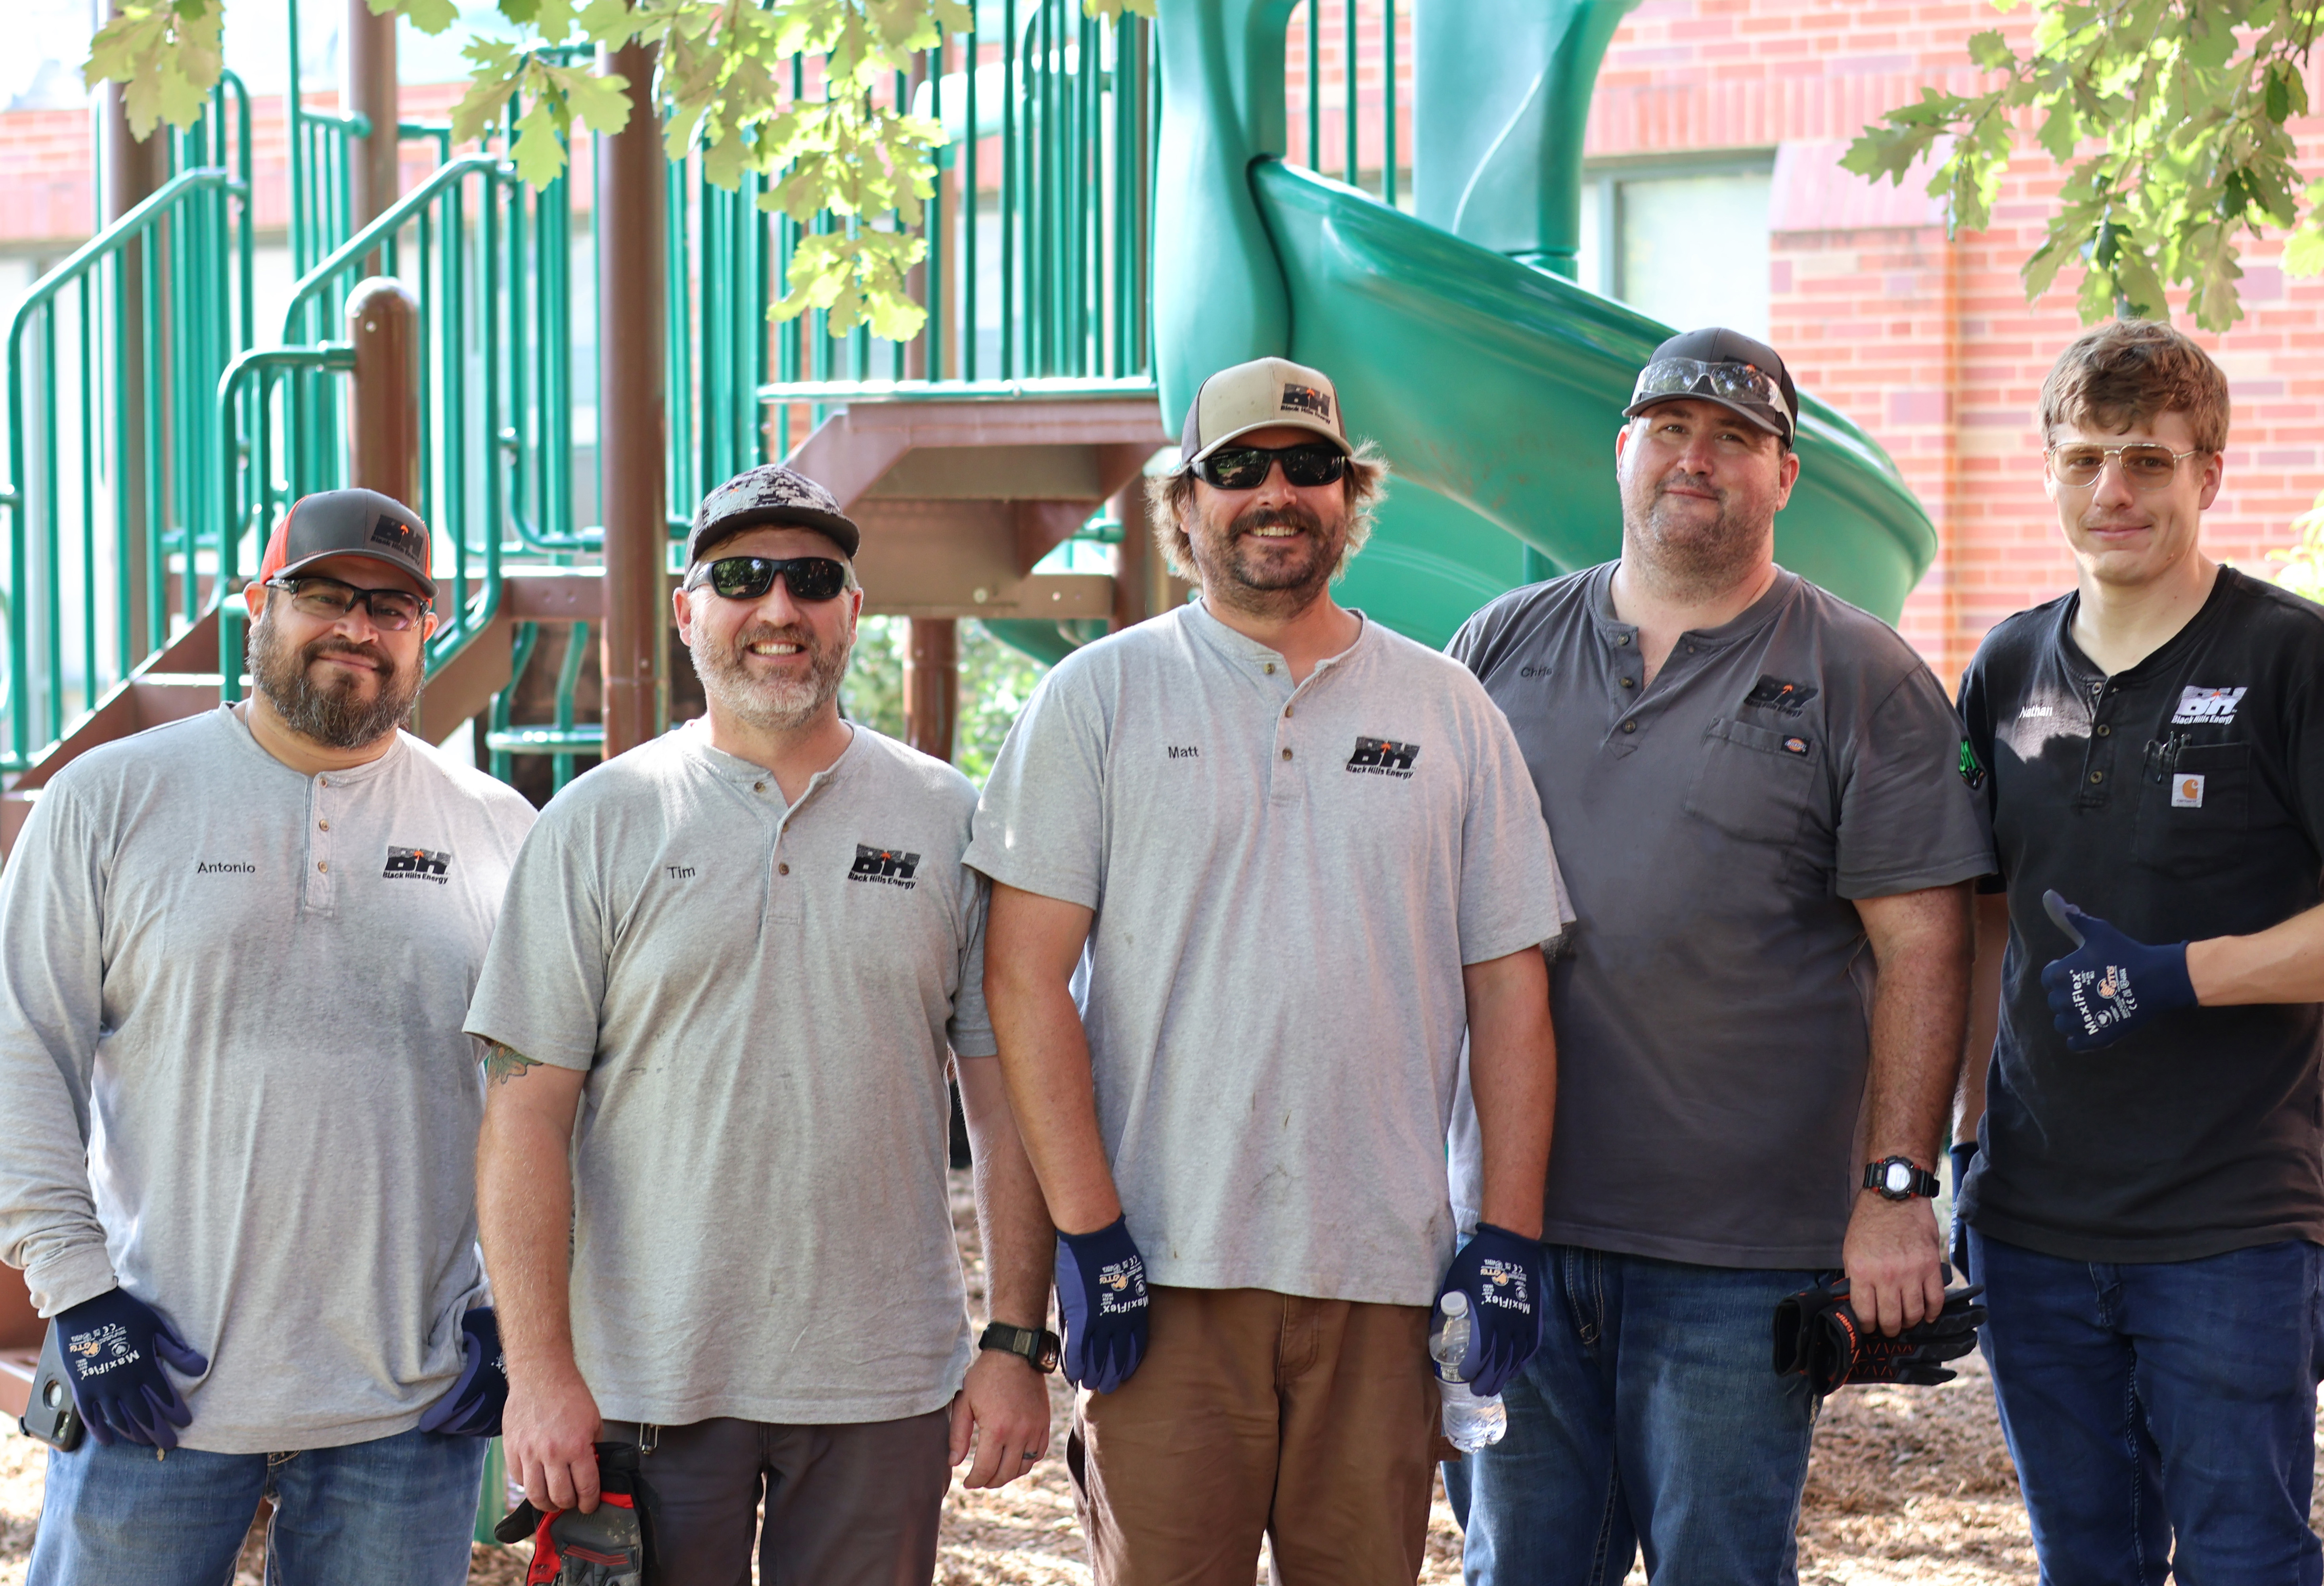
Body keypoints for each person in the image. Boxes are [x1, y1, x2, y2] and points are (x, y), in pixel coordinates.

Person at [971, 355, 1568, 1586]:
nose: (1276, 492)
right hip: (1164, 1271)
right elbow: (1022, 982)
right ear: (1183, 505)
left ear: (1353, 496)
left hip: (1384, 1278)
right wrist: (1090, 1238)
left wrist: (1506, 1231)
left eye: (1310, 467)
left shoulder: (1451, 709)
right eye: (1237, 470)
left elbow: (1511, 989)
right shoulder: (1097, 698)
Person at [1445, 328, 1994, 1584]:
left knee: (1722, 1568)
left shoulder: (1861, 676)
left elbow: (1925, 946)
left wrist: (1899, 1189)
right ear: (1624, 451)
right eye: (1674, 430)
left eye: (1738, 439)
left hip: (1742, 1260)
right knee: (1516, 1564)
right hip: (1514, 1225)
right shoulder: (1494, 651)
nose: (1700, 459)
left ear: (1784, 476)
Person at [465, 463, 1054, 1586]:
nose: (778, 609)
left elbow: (1008, 1098)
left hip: (880, 1383)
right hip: (644, 1385)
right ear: (688, 610)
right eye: (741, 578)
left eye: (811, 579)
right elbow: (523, 1120)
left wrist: (1015, 1342)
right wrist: (538, 1371)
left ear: (851, 613)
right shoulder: (597, 824)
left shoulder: (948, 819)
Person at [0, 488, 534, 1585]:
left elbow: (550, 1094)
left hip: (410, 1401)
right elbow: (20, 1053)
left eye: (394, 607)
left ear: (425, 628)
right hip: (155, 1383)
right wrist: (81, 1300)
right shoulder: (109, 800)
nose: (359, 627)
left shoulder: (495, 829)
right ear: (257, 604)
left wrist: (519, 1308)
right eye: (326, 595)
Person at [1955, 318, 2324, 1584]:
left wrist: (2178, 975)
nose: (2113, 491)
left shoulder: (2291, 658)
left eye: (2149, 463)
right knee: (2086, 1564)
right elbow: (1985, 920)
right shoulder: (2006, 666)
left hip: (2233, 1222)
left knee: (2247, 1561)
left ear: (2207, 475)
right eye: (2086, 458)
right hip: (2033, 1219)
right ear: (2049, 467)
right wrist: (1961, 1146)